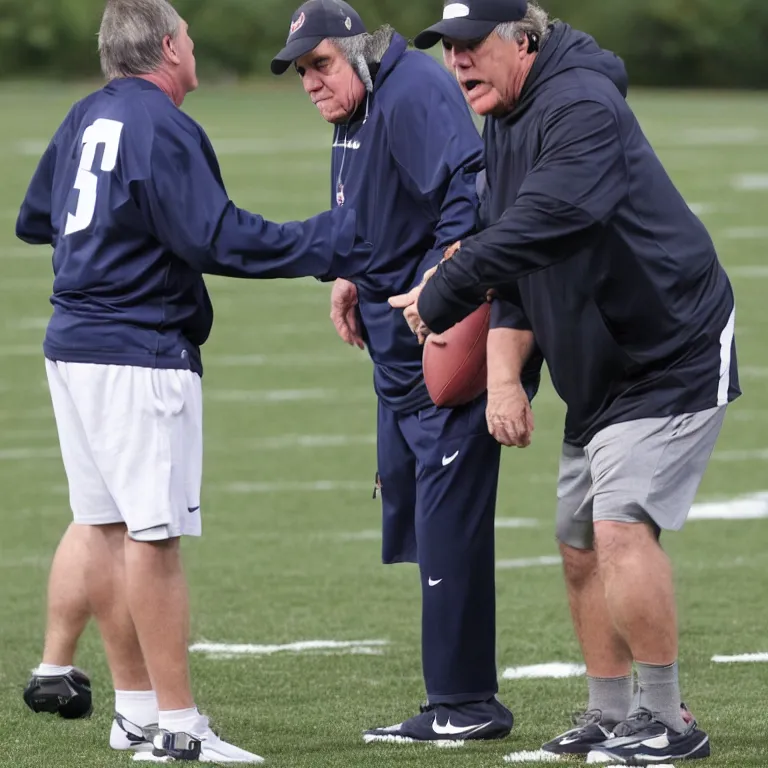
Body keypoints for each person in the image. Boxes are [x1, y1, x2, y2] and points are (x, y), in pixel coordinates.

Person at [16, 0, 373, 761]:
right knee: (152, 538)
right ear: (170, 45)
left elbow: (37, 216)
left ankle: (138, 712)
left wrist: (115, 233)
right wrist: (334, 239)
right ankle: (177, 728)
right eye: (190, 37)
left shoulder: (87, 113)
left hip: (72, 343)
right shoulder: (161, 123)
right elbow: (220, 237)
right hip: (135, 350)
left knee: (110, 530)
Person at [391, 0, 741, 763]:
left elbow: (555, 215)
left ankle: (668, 722)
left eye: (471, 45)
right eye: (447, 48)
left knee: (618, 529)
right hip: (596, 360)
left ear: (522, 42)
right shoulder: (508, 115)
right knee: (578, 543)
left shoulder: (581, 103)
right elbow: (516, 252)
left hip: (667, 346)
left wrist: (451, 285)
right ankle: (611, 712)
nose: (457, 62)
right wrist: (504, 374)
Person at [270, 0, 542, 745]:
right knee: (422, 513)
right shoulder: (358, 108)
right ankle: (457, 694)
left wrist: (446, 283)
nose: (310, 83)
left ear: (357, 52)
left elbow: (467, 187)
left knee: (448, 519)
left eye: (319, 64)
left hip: (438, 345)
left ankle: (463, 701)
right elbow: (371, 206)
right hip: (396, 352)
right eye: (301, 72)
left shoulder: (413, 89)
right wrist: (350, 273)